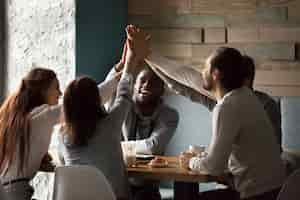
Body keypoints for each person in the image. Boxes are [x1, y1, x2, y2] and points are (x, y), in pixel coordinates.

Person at [127, 26, 286, 200]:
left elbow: (214, 167)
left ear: (216, 74)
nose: (201, 73)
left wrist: (191, 162)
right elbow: (184, 77)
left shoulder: (227, 106)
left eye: (205, 67)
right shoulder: (245, 96)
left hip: (257, 195)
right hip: (275, 191)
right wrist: (147, 55)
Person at [57, 38, 146, 200]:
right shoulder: (109, 126)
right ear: (96, 101)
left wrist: (123, 64)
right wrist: (131, 64)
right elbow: (124, 95)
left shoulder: (62, 136)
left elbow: (64, 166)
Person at [0, 68, 62, 200]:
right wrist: (116, 76)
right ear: (43, 90)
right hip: (16, 193)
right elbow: (80, 104)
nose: (61, 93)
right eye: (56, 88)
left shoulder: (21, 119)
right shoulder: (42, 115)